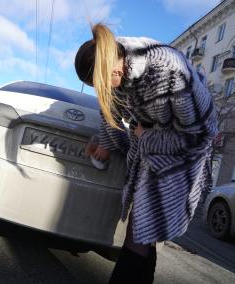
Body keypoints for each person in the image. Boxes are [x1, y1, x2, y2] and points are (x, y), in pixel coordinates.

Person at [75, 23, 218, 283]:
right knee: (143, 233)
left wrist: (147, 137)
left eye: (102, 84)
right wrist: (103, 147)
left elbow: (201, 134)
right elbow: (111, 115)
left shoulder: (166, 69)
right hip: (152, 149)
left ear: (113, 68)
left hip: (181, 157)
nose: (104, 92)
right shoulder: (117, 68)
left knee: (140, 232)